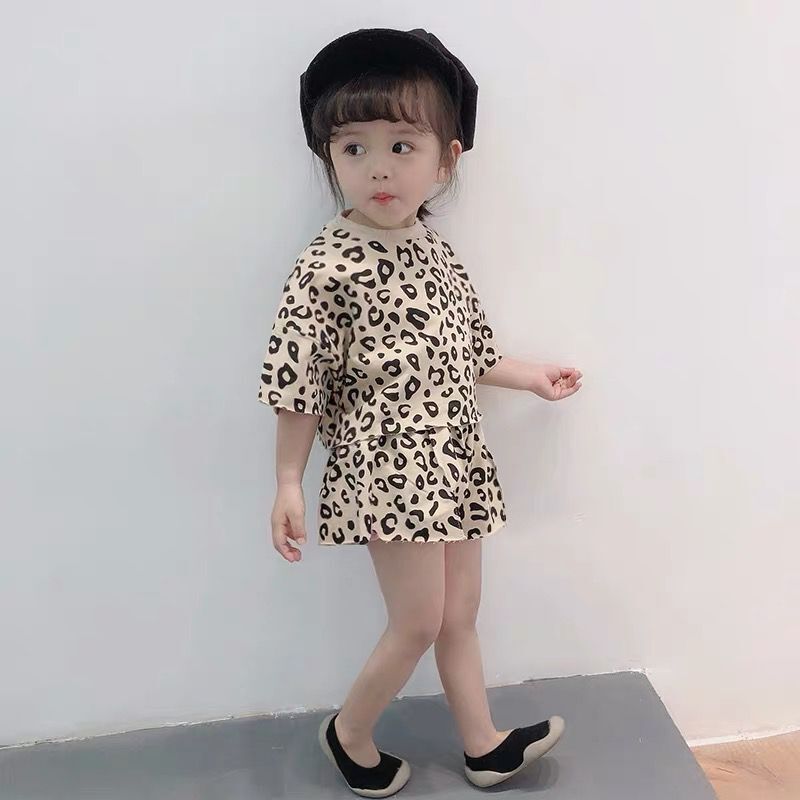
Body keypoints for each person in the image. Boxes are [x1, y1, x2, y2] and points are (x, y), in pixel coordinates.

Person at [257, 27, 583, 797]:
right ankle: (349, 733)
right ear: (330, 157)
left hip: (453, 457)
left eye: (402, 146)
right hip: (387, 468)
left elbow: (468, 350)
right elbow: (297, 380)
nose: (378, 167)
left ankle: (483, 745)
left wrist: (531, 376)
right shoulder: (327, 265)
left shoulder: (435, 252)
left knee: (460, 612)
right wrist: (288, 480)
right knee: (418, 620)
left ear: (447, 160)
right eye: (354, 148)